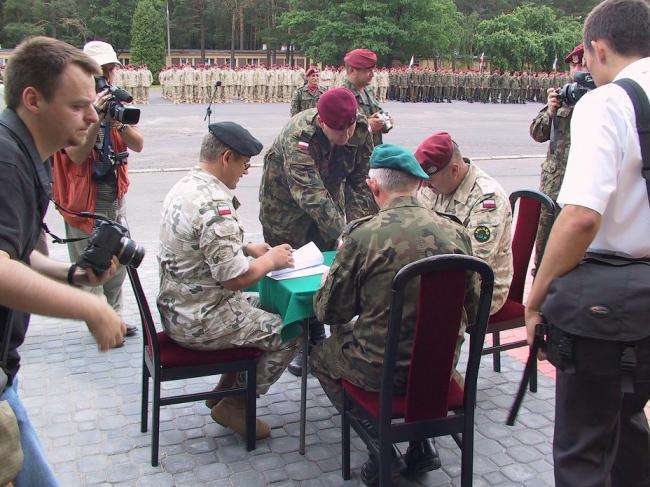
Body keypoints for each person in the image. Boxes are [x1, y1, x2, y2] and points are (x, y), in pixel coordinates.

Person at [525, 1, 650, 485]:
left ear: (597, 48)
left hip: (607, 307)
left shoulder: (608, 103)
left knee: (584, 453)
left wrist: (536, 298)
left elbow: (579, 218)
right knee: (629, 424)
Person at [312, 144, 479, 486]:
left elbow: (331, 312)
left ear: (374, 187)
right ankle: (422, 444)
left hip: (379, 372)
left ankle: (381, 447)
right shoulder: (455, 232)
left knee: (320, 357)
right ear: (418, 184)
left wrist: (328, 281)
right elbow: (474, 310)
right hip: (438, 368)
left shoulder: (363, 236)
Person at [0, 36, 125, 487]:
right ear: (33, 100)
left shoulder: (20, 150)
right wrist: (90, 306)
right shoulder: (6, 160)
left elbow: (18, 254)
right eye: (77, 106)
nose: (92, 117)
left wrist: (70, 274)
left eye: (92, 105)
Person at [157, 122, 299, 439]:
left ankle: (225, 390)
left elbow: (200, 243)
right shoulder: (214, 204)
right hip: (202, 320)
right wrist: (271, 260)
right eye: (244, 164)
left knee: (268, 304)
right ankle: (236, 405)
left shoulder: (186, 186)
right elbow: (236, 278)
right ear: (226, 158)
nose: (246, 172)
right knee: (292, 330)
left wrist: (246, 248)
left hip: (180, 309)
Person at [259, 87, 377, 377]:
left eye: (350, 127)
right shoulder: (299, 135)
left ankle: (328, 335)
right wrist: (344, 233)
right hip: (285, 208)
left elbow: (360, 184)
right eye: (338, 130)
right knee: (296, 270)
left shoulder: (361, 129)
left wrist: (361, 231)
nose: (346, 135)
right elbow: (309, 194)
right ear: (322, 122)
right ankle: (302, 338)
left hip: (328, 201)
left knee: (328, 266)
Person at [51, 40, 144, 340]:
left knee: (118, 261)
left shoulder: (114, 104)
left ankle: (114, 317)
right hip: (82, 201)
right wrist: (96, 119)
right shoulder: (67, 108)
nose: (104, 76)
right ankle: (99, 322)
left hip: (113, 196)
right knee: (90, 263)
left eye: (109, 69)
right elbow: (77, 155)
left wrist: (117, 122)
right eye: (98, 71)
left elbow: (139, 144)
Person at [416, 132, 513, 314]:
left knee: (410, 313)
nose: (425, 186)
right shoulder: (435, 186)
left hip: (480, 290)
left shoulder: (487, 198)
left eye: (430, 181)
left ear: (454, 170)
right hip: (437, 272)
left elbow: (475, 263)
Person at [529, 43, 587, 272]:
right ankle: (540, 279)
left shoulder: (602, 96)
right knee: (544, 241)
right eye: (574, 65)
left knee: (577, 243)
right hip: (554, 185)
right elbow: (537, 133)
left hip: (582, 183)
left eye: (583, 64)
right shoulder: (564, 95)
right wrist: (551, 110)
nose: (578, 69)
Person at [341, 48, 393, 146]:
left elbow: (377, 112)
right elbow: (338, 134)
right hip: (353, 154)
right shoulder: (341, 95)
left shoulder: (368, 89)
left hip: (374, 150)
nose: (372, 74)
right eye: (368, 70)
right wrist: (368, 127)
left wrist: (384, 121)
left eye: (373, 70)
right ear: (352, 70)